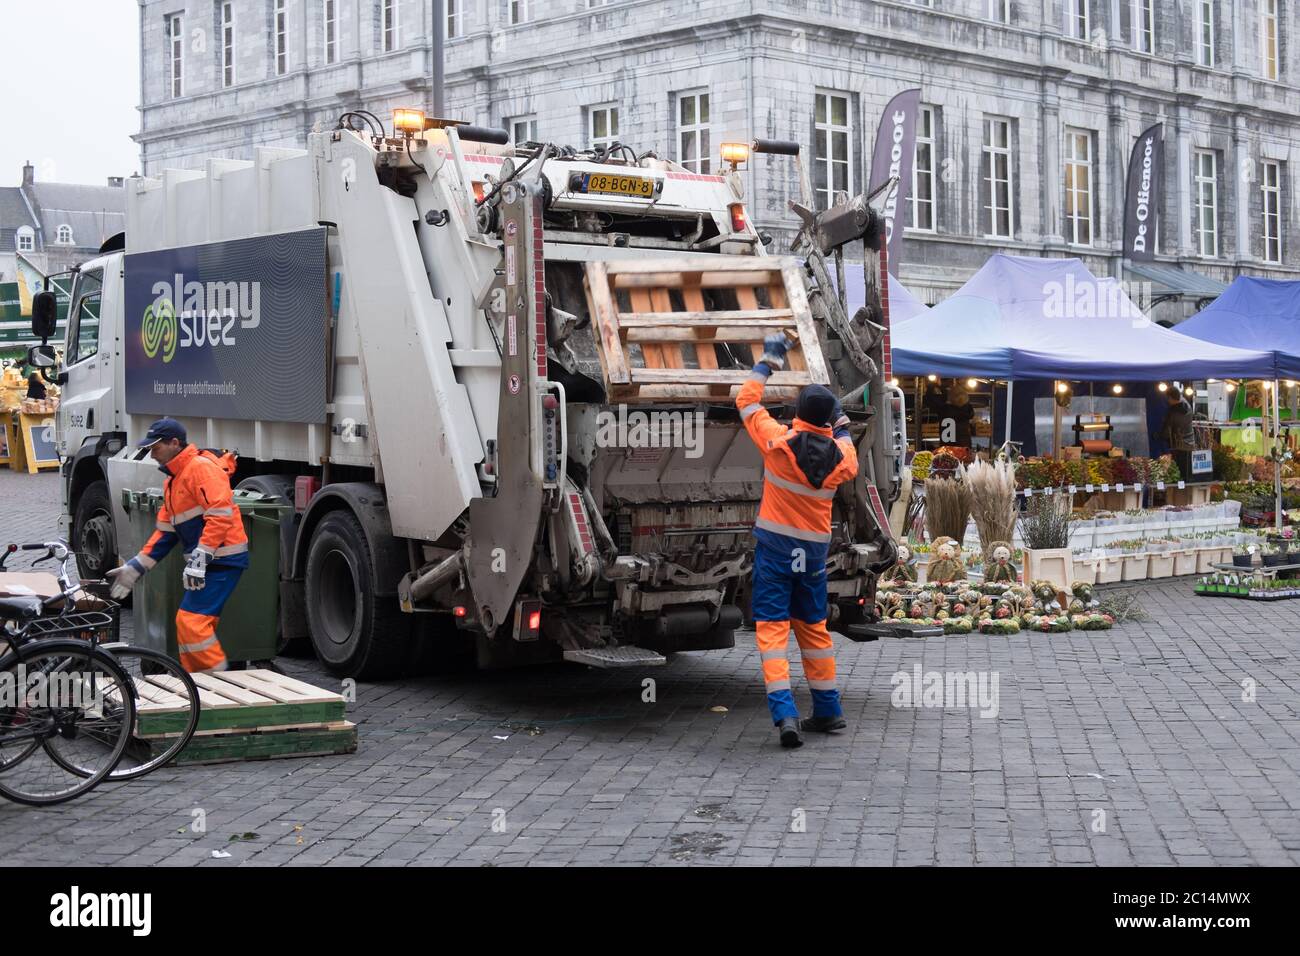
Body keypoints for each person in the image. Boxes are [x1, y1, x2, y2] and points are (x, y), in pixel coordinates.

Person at [736, 333, 859, 748]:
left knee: (772, 631)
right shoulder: (842, 459)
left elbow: (747, 403)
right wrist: (839, 421)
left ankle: (786, 714)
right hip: (812, 555)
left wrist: (769, 360)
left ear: (798, 413)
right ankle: (827, 710)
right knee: (813, 627)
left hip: (774, 553)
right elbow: (847, 442)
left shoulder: (777, 444)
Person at [105, 418, 247, 673]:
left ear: (174, 443)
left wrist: (200, 558)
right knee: (190, 623)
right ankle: (203, 683)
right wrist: (135, 568)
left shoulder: (200, 469)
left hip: (223, 559)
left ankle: (217, 683)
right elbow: (165, 533)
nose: (152, 454)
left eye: (156, 447)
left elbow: (220, 515)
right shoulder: (174, 479)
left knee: (192, 622)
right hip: (210, 561)